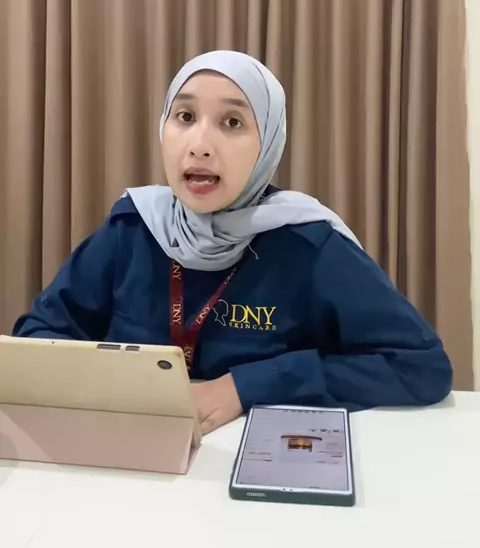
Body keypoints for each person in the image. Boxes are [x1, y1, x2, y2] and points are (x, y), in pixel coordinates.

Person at [13, 51, 453, 434]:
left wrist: (247, 386)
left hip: (258, 458)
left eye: (232, 122)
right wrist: (112, 387)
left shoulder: (308, 243)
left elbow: (420, 367)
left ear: (268, 145)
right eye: (185, 117)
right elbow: (38, 337)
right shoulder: (133, 227)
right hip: (136, 450)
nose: (200, 145)